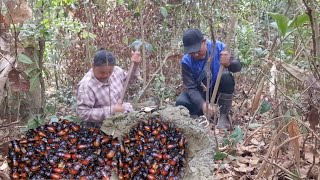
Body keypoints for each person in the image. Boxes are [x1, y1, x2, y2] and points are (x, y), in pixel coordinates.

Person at [176, 28, 241, 130]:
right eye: (192, 53)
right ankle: (200, 115)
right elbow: (190, 87)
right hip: (200, 93)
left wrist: (229, 63)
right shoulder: (186, 61)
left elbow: (238, 67)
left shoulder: (220, 48)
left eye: (198, 50)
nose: (196, 54)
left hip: (218, 91)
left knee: (226, 78)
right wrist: (202, 104)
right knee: (181, 102)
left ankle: (223, 116)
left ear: (204, 42)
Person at [76, 48, 141, 128]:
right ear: (93, 67)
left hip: (122, 119)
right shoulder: (86, 86)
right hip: (101, 127)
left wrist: (135, 66)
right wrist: (112, 110)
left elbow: (129, 81)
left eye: (110, 72)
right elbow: (83, 113)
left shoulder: (116, 71)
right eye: (102, 72)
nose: (106, 75)